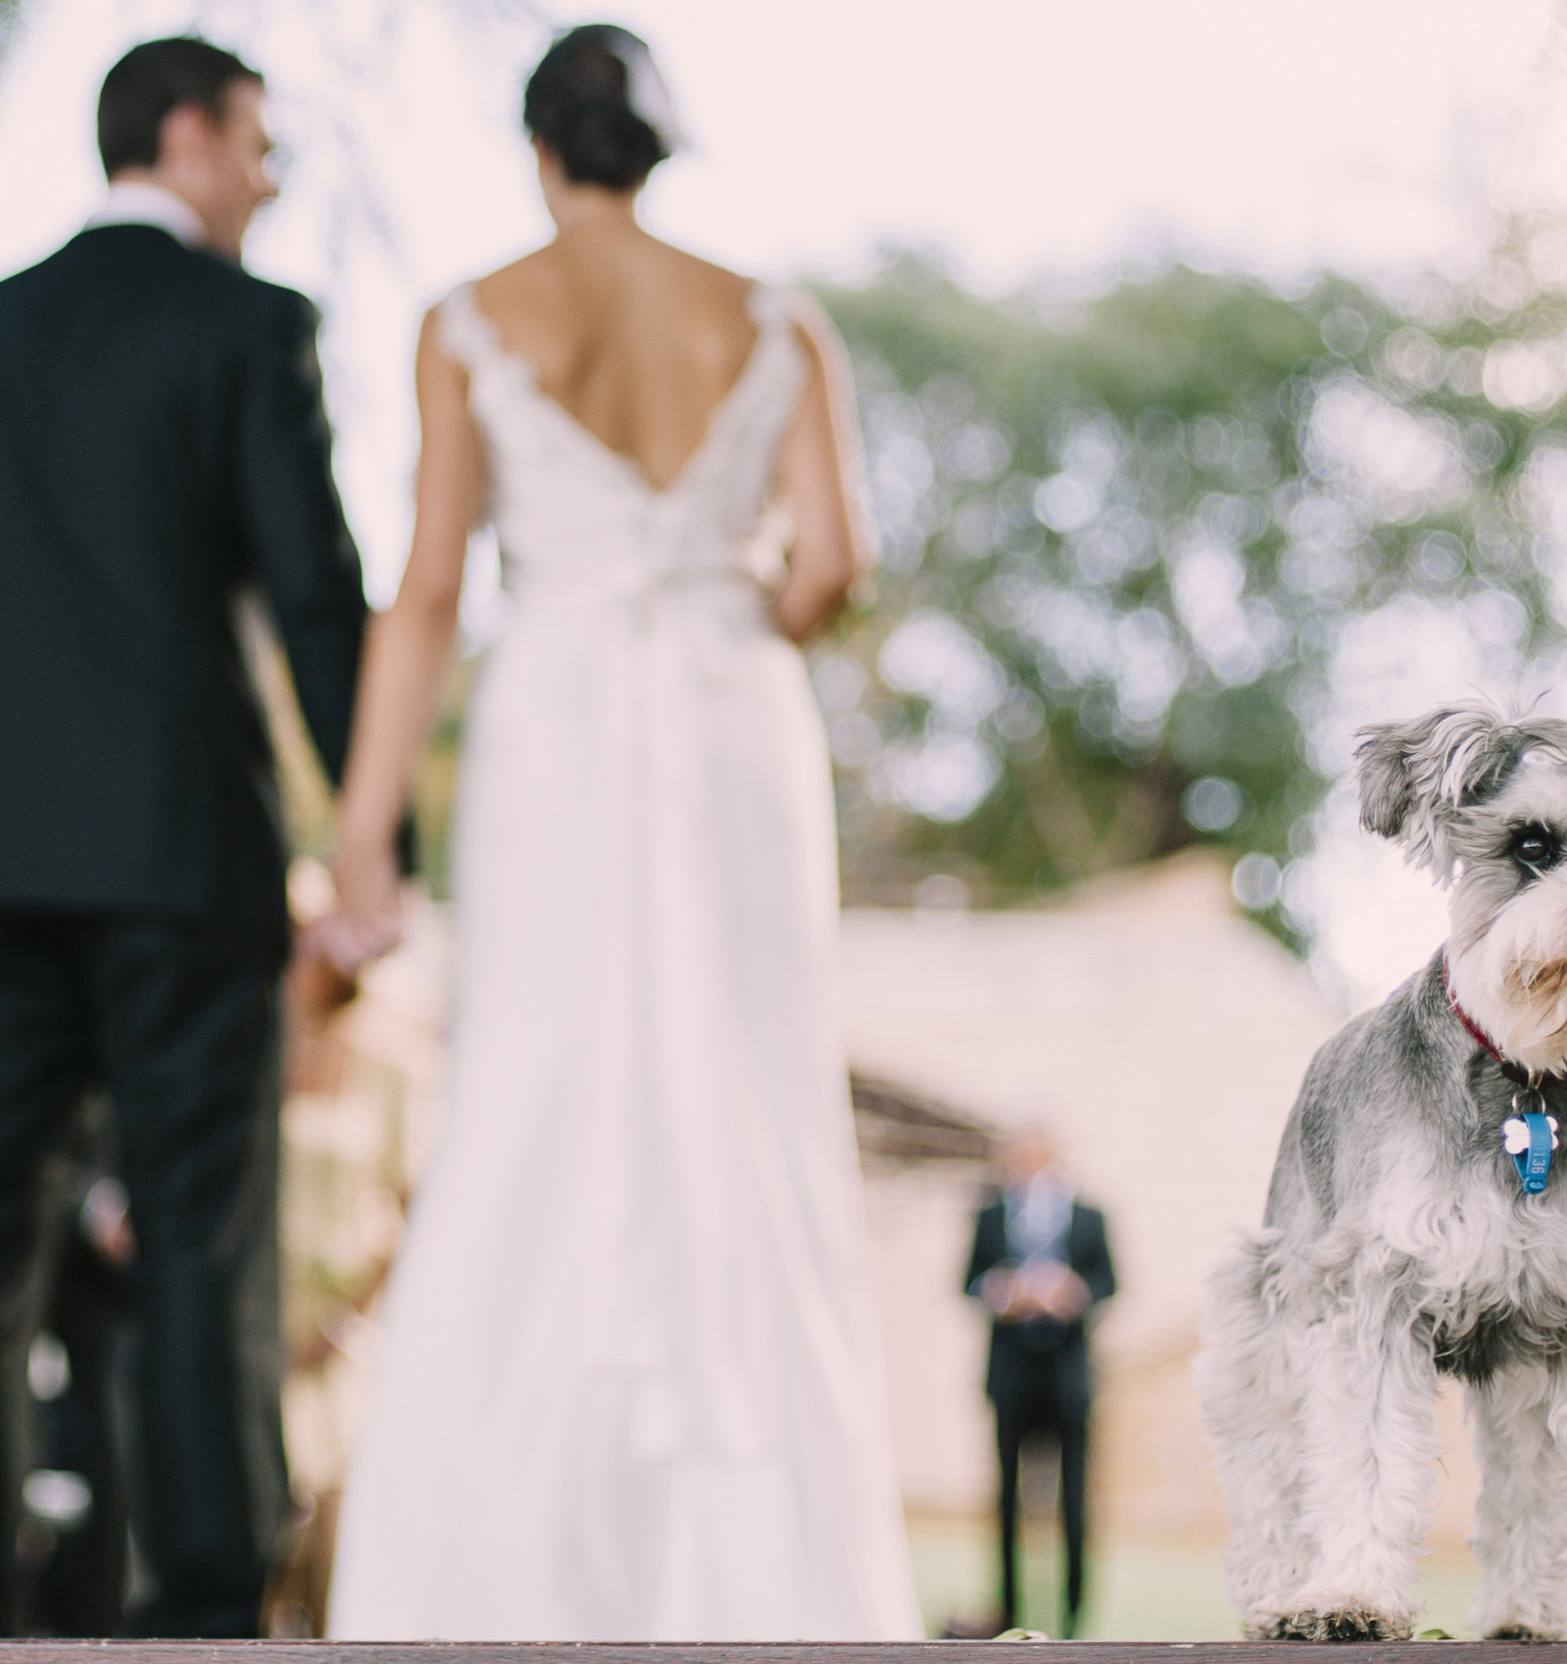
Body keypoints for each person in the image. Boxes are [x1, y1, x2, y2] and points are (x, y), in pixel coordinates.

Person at [321, 25, 915, 1639]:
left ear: (539, 151)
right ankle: (766, 1567)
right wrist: (755, 590)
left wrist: (363, 824)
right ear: (660, 153)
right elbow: (834, 562)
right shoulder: (780, 317)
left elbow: (430, 585)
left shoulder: (467, 317)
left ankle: (497, 1562)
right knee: (753, 1102)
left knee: (533, 1087)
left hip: (560, 715)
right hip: (734, 714)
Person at [0, 34, 369, 1637]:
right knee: (204, 1231)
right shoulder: (250, 329)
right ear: (191, 133)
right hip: (180, 862)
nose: (274, 179)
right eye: (263, 144)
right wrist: (366, 841)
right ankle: (206, 1601)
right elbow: (313, 595)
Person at [964, 1127, 1116, 1638]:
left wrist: (1074, 1294)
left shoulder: (1089, 1215)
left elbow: (1109, 1281)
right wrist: (1001, 1292)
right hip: (1010, 1375)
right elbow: (967, 1279)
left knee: (1074, 1499)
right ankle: (1008, 1609)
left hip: (1069, 1377)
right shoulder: (988, 1214)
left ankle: (1074, 1614)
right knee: (1006, 1498)